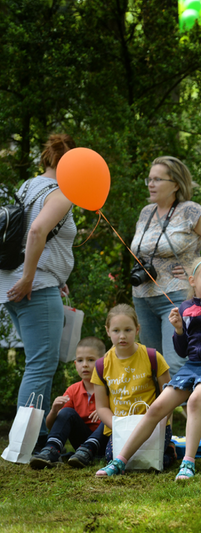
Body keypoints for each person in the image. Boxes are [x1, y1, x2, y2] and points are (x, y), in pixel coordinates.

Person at [96, 258, 201, 480]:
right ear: (193, 281)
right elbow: (182, 351)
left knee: (195, 401)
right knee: (156, 408)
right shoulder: (186, 307)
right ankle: (120, 460)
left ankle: (188, 463)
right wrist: (179, 330)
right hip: (193, 365)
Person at [1, 133, 77, 445]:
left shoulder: (27, 187)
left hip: (14, 283)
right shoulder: (61, 192)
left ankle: (37, 437)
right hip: (33, 286)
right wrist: (32, 277)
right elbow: (36, 232)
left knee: (39, 362)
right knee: (41, 364)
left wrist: (53, 274)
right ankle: (25, 442)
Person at [132, 156, 201, 375]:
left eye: (157, 179)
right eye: (149, 179)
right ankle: (165, 401)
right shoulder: (146, 212)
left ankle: (194, 398)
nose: (151, 184)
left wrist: (199, 272)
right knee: (154, 367)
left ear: (176, 184)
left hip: (176, 296)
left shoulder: (189, 210)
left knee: (175, 364)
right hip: (142, 297)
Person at [94, 305, 173, 477]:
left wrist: (161, 422)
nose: (122, 336)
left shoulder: (152, 357)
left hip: (153, 424)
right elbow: (101, 407)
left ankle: (169, 450)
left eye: (128, 330)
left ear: (137, 329)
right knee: (111, 457)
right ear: (107, 331)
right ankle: (166, 453)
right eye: (116, 330)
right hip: (120, 427)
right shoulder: (101, 365)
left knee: (151, 459)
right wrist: (118, 426)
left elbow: (169, 396)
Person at [29, 337, 107, 469]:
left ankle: (90, 449)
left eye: (91, 360)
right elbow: (51, 425)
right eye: (80, 360)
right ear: (75, 364)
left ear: (103, 362)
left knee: (111, 415)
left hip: (105, 442)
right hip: (81, 448)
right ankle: (51, 450)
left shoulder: (110, 387)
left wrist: (104, 411)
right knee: (66, 412)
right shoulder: (72, 390)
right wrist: (54, 411)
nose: (85, 365)